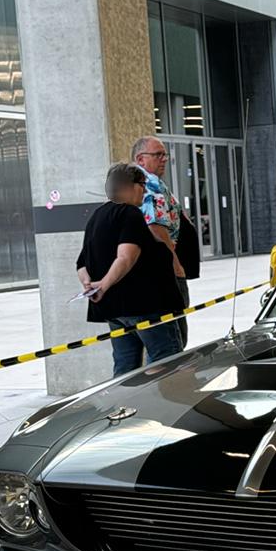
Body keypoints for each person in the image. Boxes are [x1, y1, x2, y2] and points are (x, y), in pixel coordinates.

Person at [77, 164, 184, 376]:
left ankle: (123, 407)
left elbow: (81, 264)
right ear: (130, 186)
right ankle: (161, 408)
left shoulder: (96, 216)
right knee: (166, 363)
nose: (145, 191)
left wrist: (89, 284)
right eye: (142, 185)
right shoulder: (129, 214)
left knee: (125, 366)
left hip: (114, 310)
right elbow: (126, 257)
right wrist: (104, 285)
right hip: (145, 304)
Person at [130, 136, 197, 345]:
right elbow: (155, 227)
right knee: (171, 346)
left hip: (149, 276)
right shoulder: (147, 187)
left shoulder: (145, 184)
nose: (164, 159)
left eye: (164, 154)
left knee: (131, 356)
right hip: (164, 272)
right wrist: (175, 265)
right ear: (141, 159)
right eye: (158, 154)